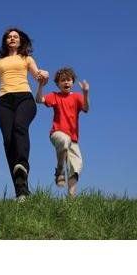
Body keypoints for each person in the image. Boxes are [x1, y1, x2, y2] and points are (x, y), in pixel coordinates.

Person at [0, 28, 49, 201]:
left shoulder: (27, 58)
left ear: (21, 40)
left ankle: (22, 164)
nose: (12, 38)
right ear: (5, 41)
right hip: (4, 102)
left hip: (25, 99)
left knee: (19, 127)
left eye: (15, 36)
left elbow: (38, 75)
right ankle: (21, 191)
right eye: (9, 37)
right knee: (8, 141)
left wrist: (43, 76)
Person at [35, 67, 90, 197]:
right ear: (58, 84)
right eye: (63, 80)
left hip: (74, 139)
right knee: (64, 141)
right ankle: (60, 170)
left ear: (72, 82)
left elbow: (86, 109)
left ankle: (71, 200)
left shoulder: (77, 97)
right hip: (57, 133)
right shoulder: (55, 96)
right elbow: (39, 100)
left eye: (68, 80)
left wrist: (85, 93)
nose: (66, 82)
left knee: (76, 168)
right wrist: (40, 85)